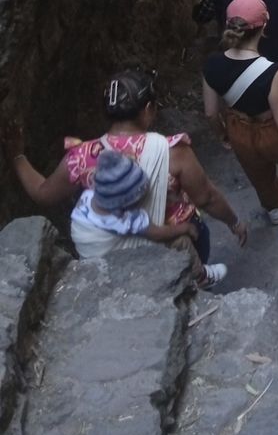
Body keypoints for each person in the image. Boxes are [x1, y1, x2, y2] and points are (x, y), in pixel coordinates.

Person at [10, 69, 244, 286]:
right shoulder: (173, 151)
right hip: (171, 240)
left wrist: (17, 155)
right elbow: (207, 198)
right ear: (149, 109)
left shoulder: (81, 156)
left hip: (114, 258)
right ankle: (199, 280)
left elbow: (42, 193)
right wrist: (234, 222)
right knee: (193, 244)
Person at [202, 0, 278, 247]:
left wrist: (223, 134)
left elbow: (210, 112)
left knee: (257, 171)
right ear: (263, 28)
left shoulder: (212, 64)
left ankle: (274, 209)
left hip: (238, 129)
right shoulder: (273, 71)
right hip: (270, 130)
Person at [70, 149, 209, 269]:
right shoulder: (128, 220)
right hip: (114, 263)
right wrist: (186, 228)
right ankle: (201, 276)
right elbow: (160, 234)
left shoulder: (86, 197)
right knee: (181, 241)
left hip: (87, 256)